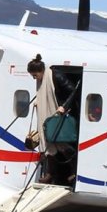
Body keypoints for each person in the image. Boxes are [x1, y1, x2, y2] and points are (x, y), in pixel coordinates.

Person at [26, 55, 79, 185]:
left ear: (41, 71)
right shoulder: (42, 80)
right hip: (49, 113)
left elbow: (73, 90)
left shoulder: (56, 76)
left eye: (35, 75)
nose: (34, 78)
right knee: (47, 140)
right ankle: (50, 173)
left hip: (59, 111)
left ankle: (74, 170)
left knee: (62, 142)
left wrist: (64, 106)